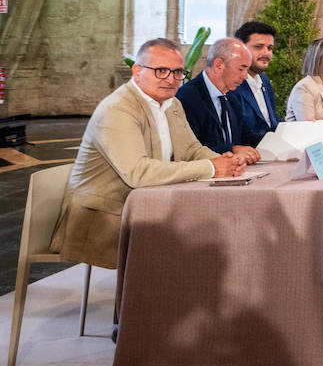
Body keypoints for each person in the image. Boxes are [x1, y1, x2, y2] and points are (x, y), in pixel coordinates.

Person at [49, 38, 245, 269]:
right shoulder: (118, 108)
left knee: (216, 226)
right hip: (104, 217)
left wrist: (223, 161)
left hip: (145, 204)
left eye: (178, 72)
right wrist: (212, 168)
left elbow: (191, 149)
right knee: (198, 237)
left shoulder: (172, 103)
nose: (171, 79)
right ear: (137, 71)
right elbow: (138, 173)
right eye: (161, 71)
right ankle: (161, 301)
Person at [175, 37, 261, 163]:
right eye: (241, 69)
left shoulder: (233, 97)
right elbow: (189, 151)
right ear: (218, 65)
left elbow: (244, 137)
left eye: (247, 70)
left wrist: (277, 138)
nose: (245, 76)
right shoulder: (187, 98)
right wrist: (231, 150)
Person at [228, 20, 280, 147]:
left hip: (271, 152)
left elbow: (272, 123)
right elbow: (239, 136)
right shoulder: (231, 85)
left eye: (270, 48)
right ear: (241, 49)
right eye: (258, 47)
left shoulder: (265, 81)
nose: (266, 53)